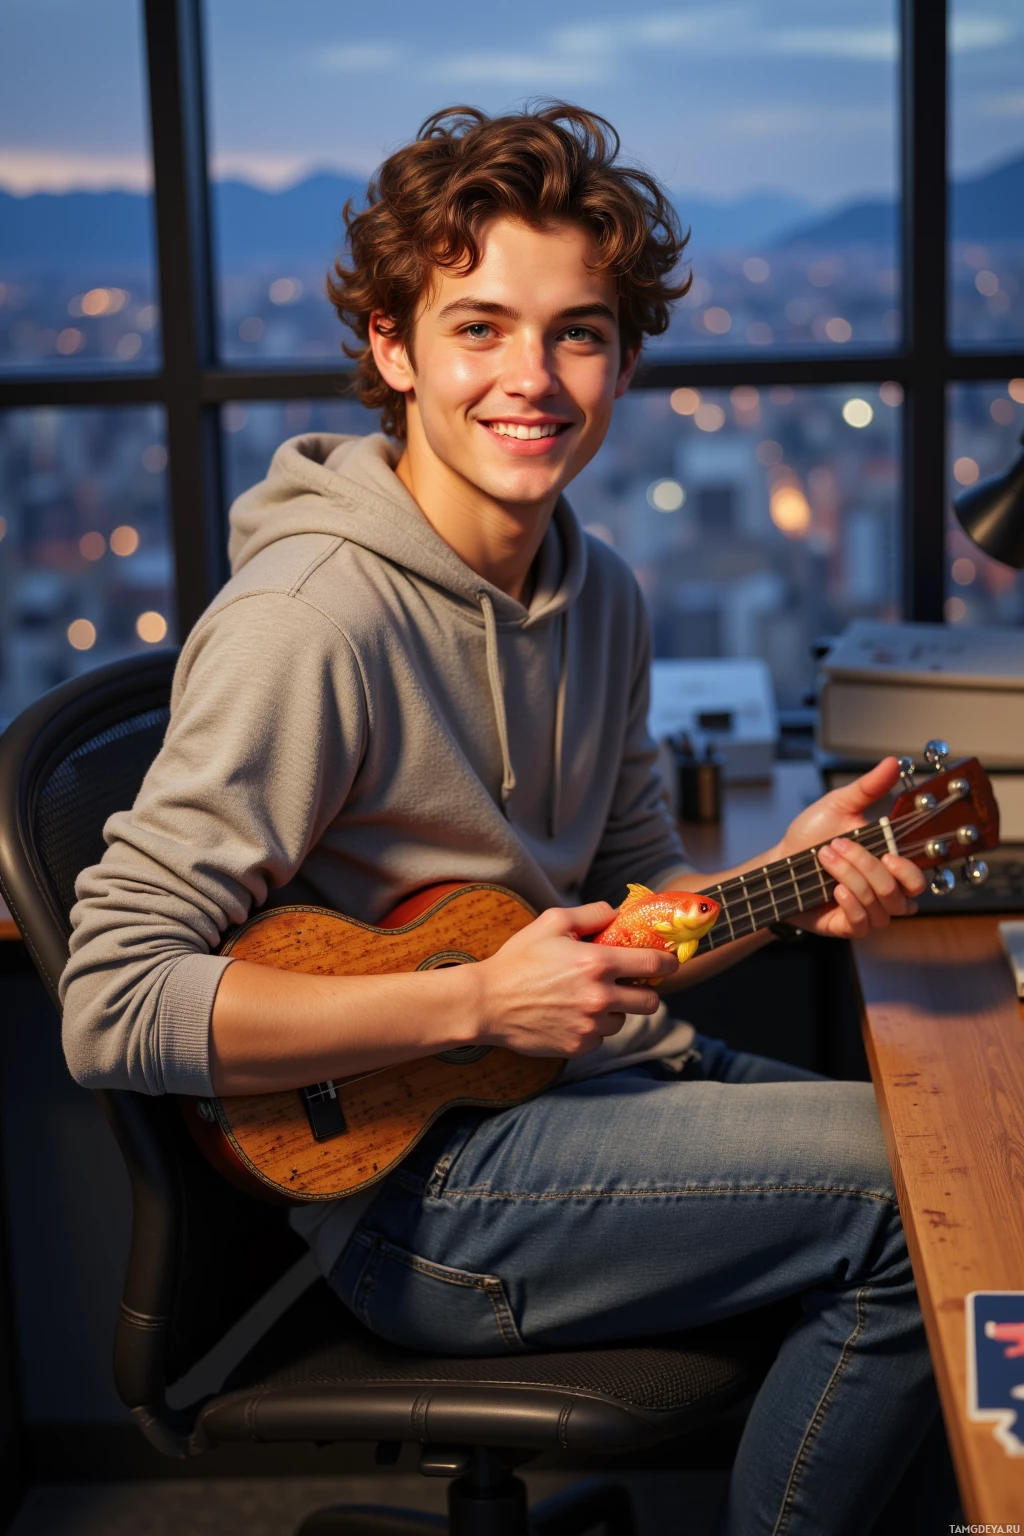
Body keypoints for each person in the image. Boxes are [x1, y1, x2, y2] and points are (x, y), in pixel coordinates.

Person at [60, 104, 956, 1534]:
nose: (530, 380)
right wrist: (478, 998)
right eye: (478, 328)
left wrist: (777, 881)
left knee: (956, 1152)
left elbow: (629, 916)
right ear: (392, 350)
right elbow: (112, 1000)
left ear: (625, 360)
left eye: (578, 334)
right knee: (924, 1214)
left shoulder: (601, 597)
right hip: (418, 1199)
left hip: (582, 1101)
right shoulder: (313, 621)